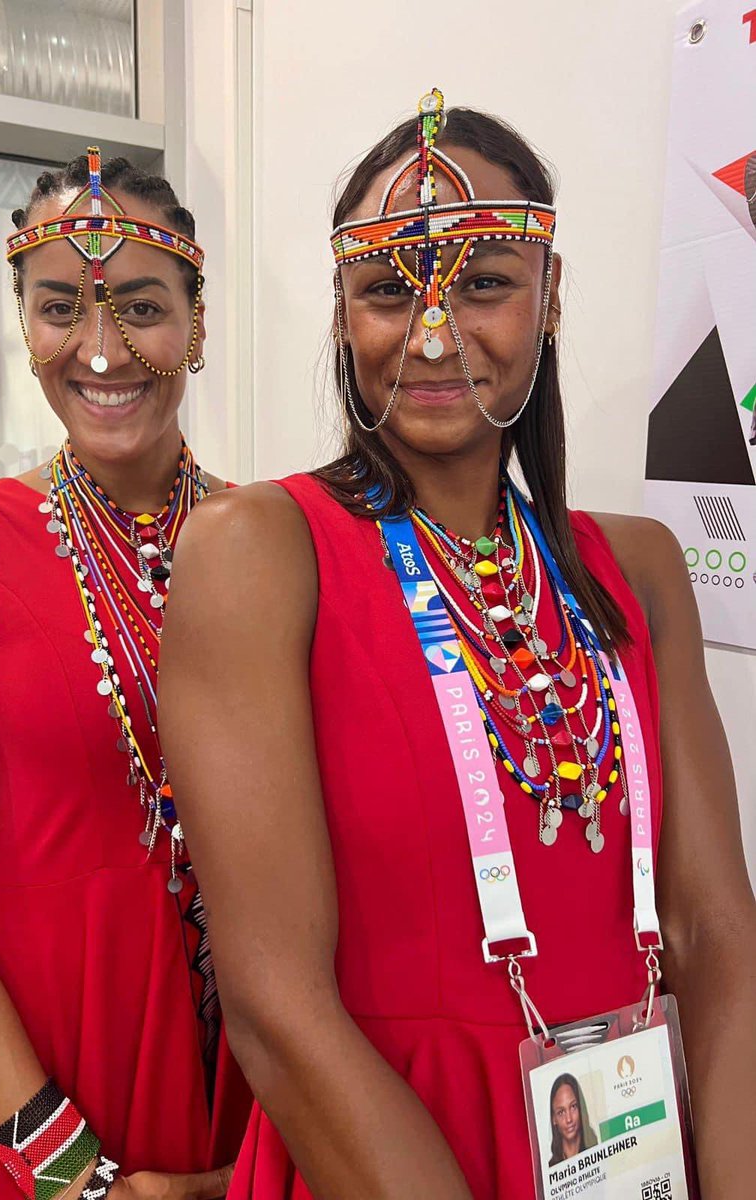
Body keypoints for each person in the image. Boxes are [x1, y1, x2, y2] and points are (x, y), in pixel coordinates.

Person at [157, 92, 756, 1200]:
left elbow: (717, 936)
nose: (433, 333)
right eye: (389, 292)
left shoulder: (642, 569)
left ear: (550, 297)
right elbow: (276, 1007)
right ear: (343, 316)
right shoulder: (259, 554)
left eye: (484, 283)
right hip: (379, 1152)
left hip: (635, 1142)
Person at [0, 150, 248, 1200]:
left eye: (141, 306)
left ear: (197, 323)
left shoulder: (274, 537)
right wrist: (81, 1179)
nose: (101, 348)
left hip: (251, 1065)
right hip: (31, 1079)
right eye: (61, 305)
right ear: (24, 320)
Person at [548, 1074, 593, 1166]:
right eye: (561, 1112)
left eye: (573, 1107)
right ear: (554, 1119)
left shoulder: (597, 1154)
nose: (569, 1119)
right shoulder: (550, 1169)